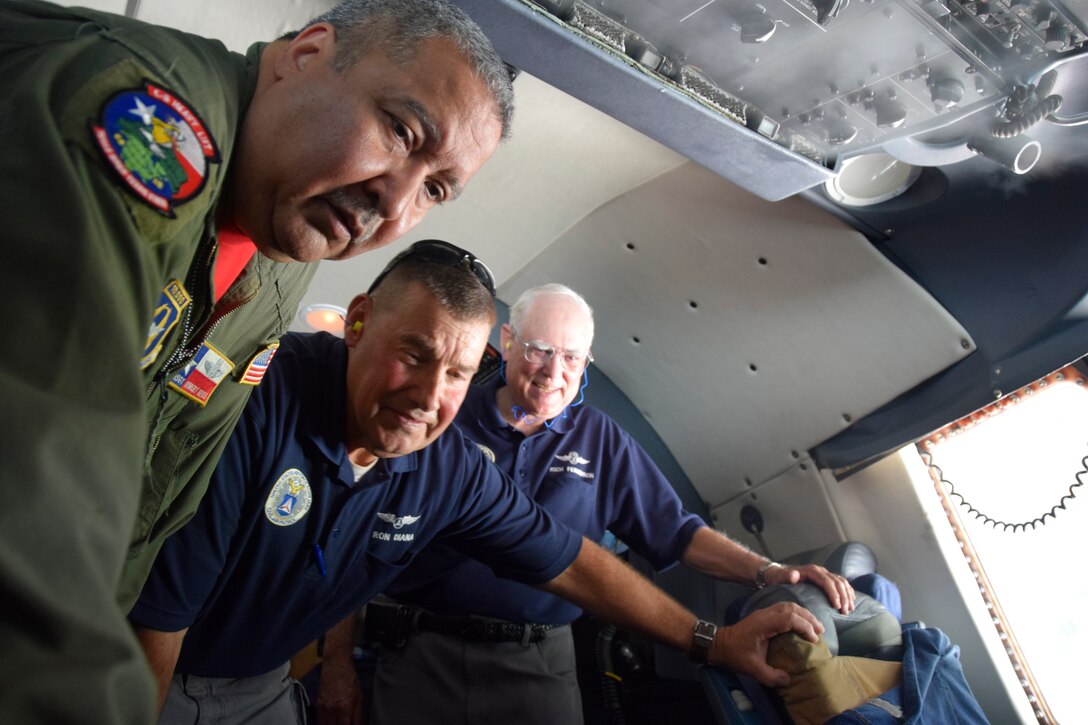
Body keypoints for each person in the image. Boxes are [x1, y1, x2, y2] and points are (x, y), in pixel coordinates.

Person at [0, 1, 511, 722]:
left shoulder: (283, 251)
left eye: (434, 188)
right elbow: (39, 464)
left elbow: (167, 479)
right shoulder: (145, 117)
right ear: (306, 53)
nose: (394, 205)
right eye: (399, 131)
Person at [128, 242, 825, 724]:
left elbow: (573, 562)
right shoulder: (265, 396)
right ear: (360, 321)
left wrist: (714, 638)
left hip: (261, 685)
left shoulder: (448, 466)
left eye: (455, 374)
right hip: (149, 668)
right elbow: (153, 622)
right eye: (413, 354)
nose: (430, 395)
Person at [339, 283, 859, 725]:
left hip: (539, 663)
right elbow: (351, 539)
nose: (553, 372)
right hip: (420, 653)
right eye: (541, 349)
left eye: (571, 357)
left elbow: (678, 532)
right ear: (507, 340)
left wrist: (768, 572)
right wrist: (337, 661)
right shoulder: (442, 416)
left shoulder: (600, 440)